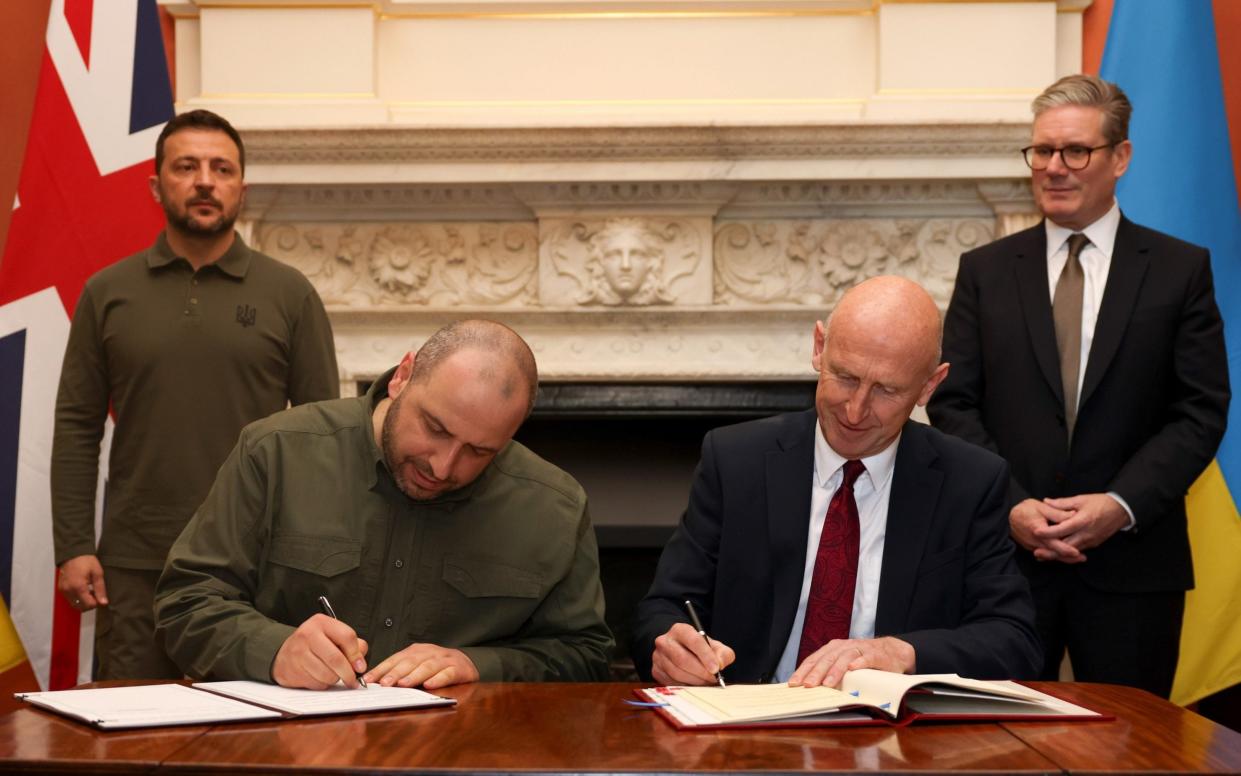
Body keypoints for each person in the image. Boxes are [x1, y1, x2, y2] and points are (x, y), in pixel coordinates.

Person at [927, 75, 1229, 698]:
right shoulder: (984, 272)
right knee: (992, 748)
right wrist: (1010, 505)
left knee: (1131, 752)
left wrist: (1118, 507)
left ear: (1120, 158)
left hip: (1133, 567)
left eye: (1075, 152)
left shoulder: (1180, 270)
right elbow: (954, 402)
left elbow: (1199, 412)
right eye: (1042, 151)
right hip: (1002, 566)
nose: (1054, 168)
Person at [154, 320, 613, 689]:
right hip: (284, 753)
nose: (443, 465)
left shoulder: (554, 506)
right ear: (403, 375)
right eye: (435, 427)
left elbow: (586, 656)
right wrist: (274, 650)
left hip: (459, 759)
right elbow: (186, 603)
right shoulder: (276, 451)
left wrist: (480, 665)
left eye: (479, 452)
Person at [632, 276, 1041, 687]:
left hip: (896, 737)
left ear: (929, 386)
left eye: (886, 390)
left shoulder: (970, 481)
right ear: (818, 347)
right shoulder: (736, 460)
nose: (855, 409)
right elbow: (663, 608)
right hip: (749, 727)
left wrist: (903, 652)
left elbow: (1014, 641)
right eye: (845, 377)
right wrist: (670, 647)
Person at [51, 109, 339, 680]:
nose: (205, 180)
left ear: (241, 189)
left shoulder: (290, 294)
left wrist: (313, 563)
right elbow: (76, 427)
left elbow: (323, 441)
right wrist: (74, 546)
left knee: (247, 748)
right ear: (158, 185)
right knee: (129, 743)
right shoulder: (107, 292)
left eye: (221, 168)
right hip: (134, 567)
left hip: (252, 567)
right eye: (187, 166)